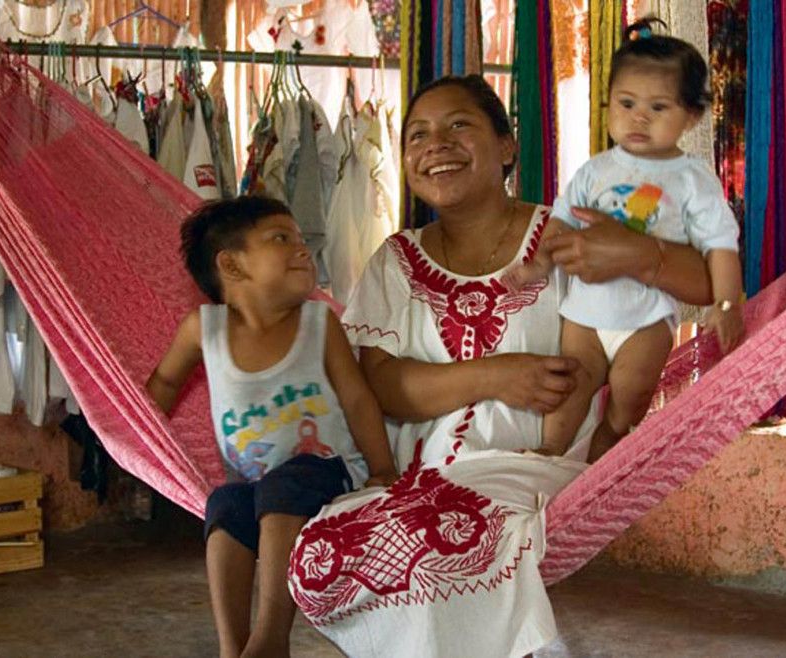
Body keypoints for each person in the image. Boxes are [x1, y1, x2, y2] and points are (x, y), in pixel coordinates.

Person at [287, 74, 714, 657]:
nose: (434, 144)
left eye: (458, 125)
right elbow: (383, 386)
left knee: (436, 541)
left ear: (508, 145)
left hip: (536, 468)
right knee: (320, 557)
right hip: (418, 480)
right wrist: (498, 374)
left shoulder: (567, 240)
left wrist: (613, 429)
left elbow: (653, 320)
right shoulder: (396, 259)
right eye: (417, 135)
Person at [146, 196, 398, 658]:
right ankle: (232, 646)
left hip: (330, 475)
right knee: (223, 506)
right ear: (232, 266)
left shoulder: (318, 324)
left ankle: (271, 637)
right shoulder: (204, 330)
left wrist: (383, 468)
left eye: (301, 239)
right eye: (282, 238)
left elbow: (358, 398)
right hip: (254, 486)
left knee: (283, 487)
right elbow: (163, 382)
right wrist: (130, 434)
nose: (303, 248)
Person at [503, 18, 744, 461]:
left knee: (631, 399)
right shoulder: (594, 170)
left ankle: (610, 439)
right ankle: (549, 453)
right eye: (626, 102)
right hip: (585, 314)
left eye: (658, 108)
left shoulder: (692, 179)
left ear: (691, 116)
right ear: (608, 103)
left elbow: (720, 245)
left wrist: (727, 304)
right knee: (571, 383)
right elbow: (561, 222)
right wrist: (539, 263)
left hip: (646, 320)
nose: (638, 117)